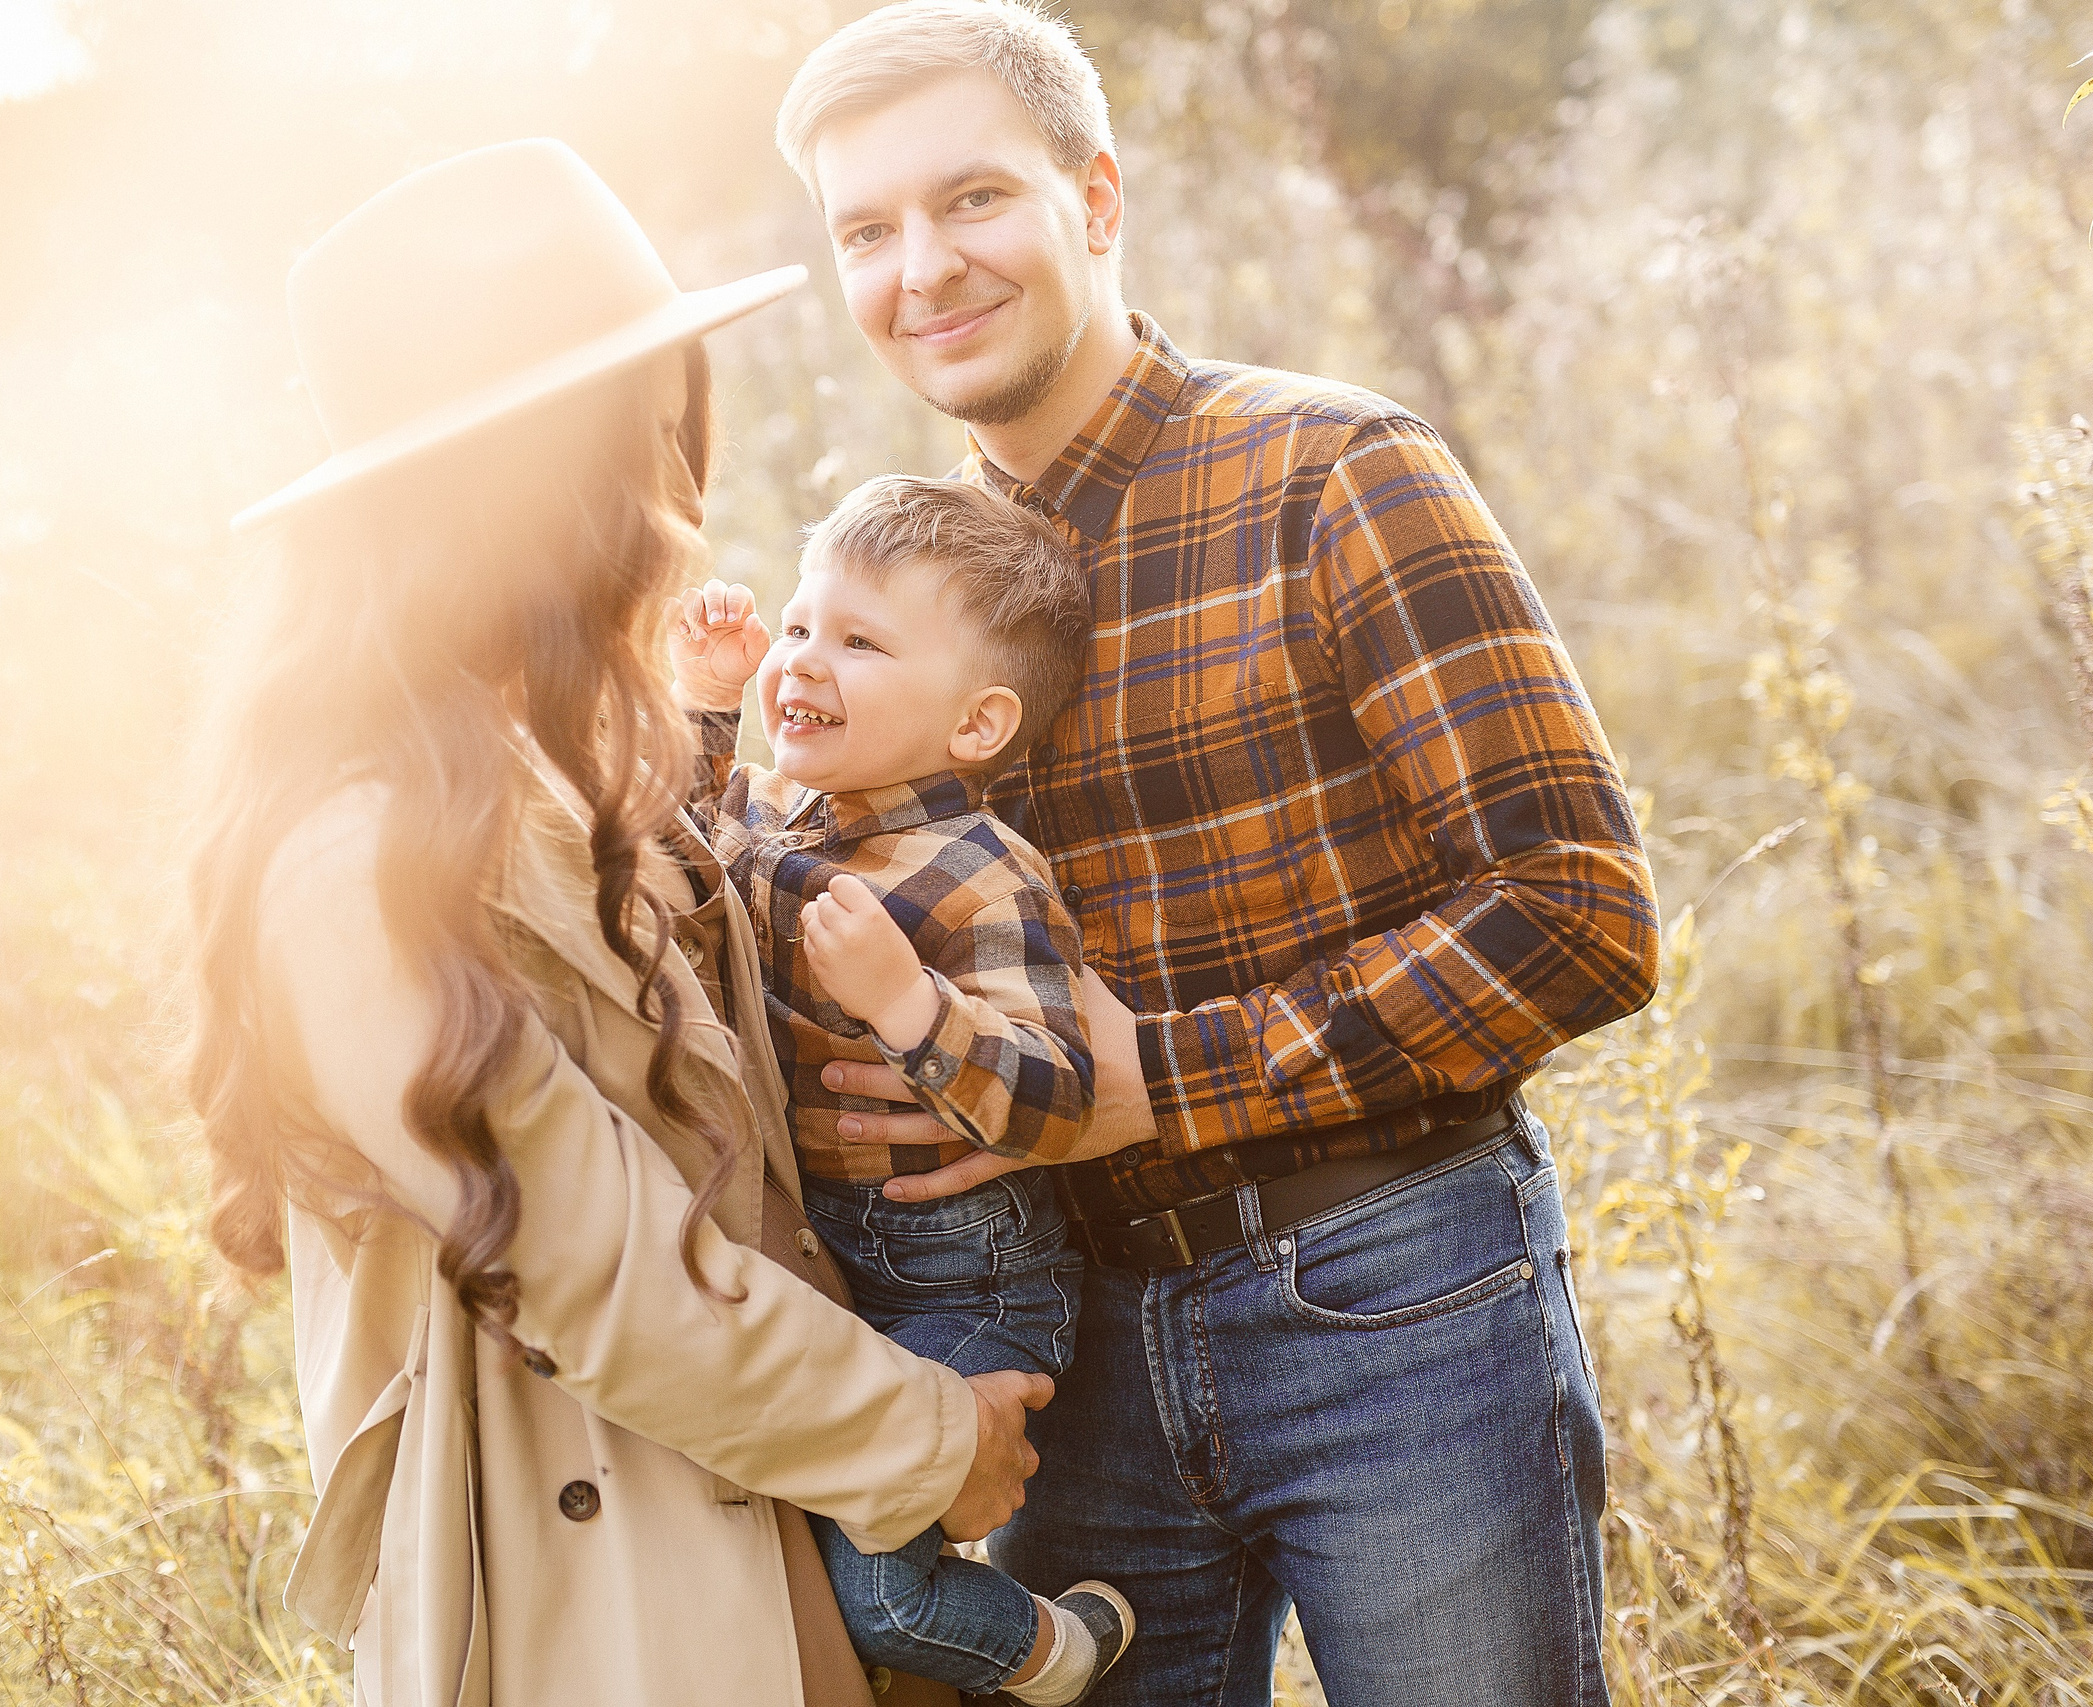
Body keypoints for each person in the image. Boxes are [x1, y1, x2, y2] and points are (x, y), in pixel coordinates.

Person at [771, 6, 1665, 1706]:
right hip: (1062, 1337)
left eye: (973, 200)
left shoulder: (1332, 472)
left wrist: (1161, 1082)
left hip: (1394, 1295)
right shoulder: (885, 597)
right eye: (866, 231)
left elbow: (1579, 909)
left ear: (1095, 200)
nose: (923, 267)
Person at [183, 138, 1051, 1707]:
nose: (679, 493)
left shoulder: (569, 758)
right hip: (607, 1599)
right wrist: (931, 1441)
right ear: (535, 490)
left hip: (765, 1524)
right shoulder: (356, 851)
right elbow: (591, 1265)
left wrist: (958, 1078)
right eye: (646, 436)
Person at [666, 475, 1130, 1705]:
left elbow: (1060, 1098)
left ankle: (1053, 1650)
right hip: (832, 1263)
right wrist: (709, 704)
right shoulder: (774, 810)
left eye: (860, 643)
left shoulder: (982, 878)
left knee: (873, 1591)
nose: (806, 662)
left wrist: (911, 1010)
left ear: (976, 726)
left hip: (968, 1278)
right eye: (805, 626)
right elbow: (670, 847)